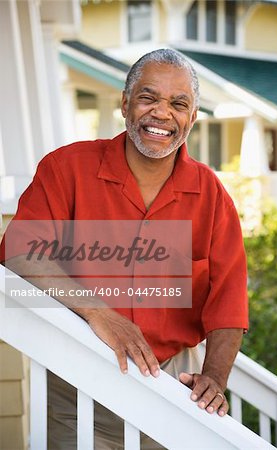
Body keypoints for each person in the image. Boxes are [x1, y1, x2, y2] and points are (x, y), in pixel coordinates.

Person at [1, 49, 248, 449]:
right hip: (75, 387)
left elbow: (229, 304)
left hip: (172, 391)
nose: (162, 114)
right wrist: (97, 312)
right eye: (149, 98)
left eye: (178, 104)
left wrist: (215, 380)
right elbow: (17, 252)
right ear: (125, 104)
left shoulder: (212, 196)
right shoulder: (68, 168)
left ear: (193, 118)